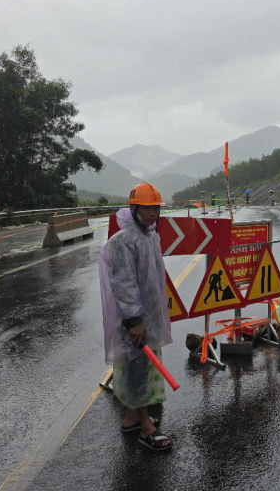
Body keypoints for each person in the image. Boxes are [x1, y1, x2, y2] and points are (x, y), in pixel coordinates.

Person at [98, 182, 173, 451]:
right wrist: (135, 320)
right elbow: (124, 283)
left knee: (138, 367)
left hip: (146, 320)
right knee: (137, 370)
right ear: (134, 209)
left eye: (156, 208)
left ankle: (131, 418)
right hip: (134, 322)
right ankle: (145, 427)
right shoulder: (124, 241)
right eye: (147, 208)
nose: (153, 213)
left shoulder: (150, 236)